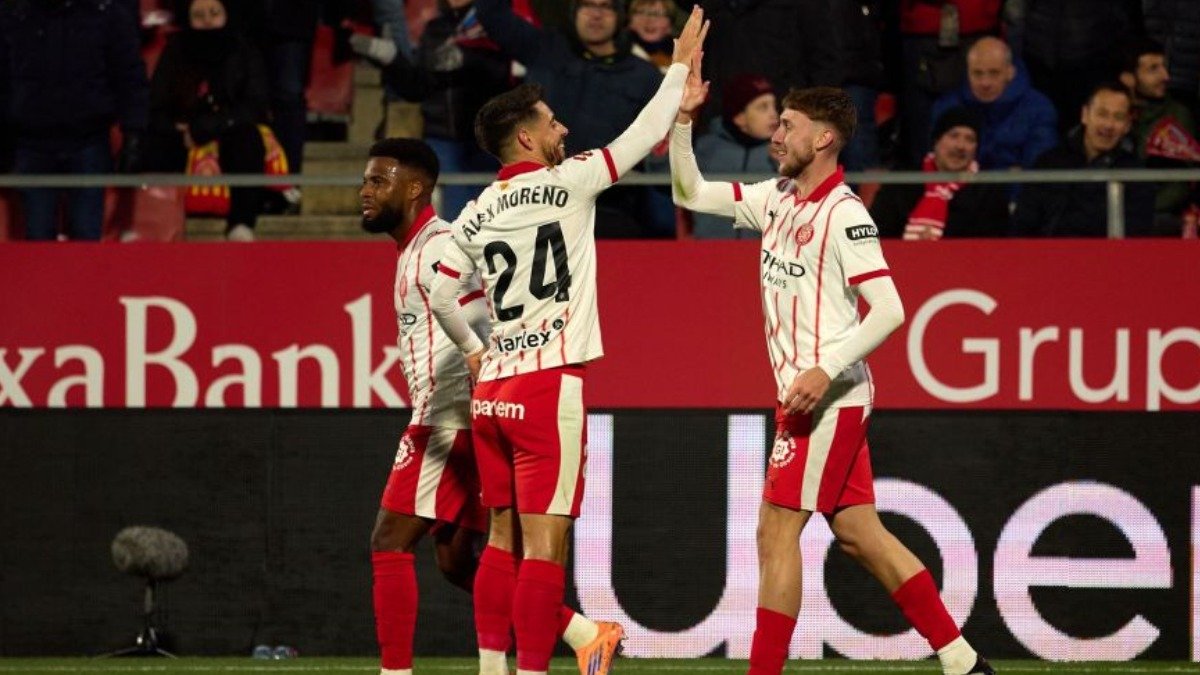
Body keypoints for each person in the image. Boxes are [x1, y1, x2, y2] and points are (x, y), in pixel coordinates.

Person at [669, 70, 994, 674]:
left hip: (826, 400)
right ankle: (962, 660)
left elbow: (890, 309)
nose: (776, 133)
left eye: (788, 125)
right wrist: (684, 119)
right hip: (810, 396)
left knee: (775, 530)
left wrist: (824, 369)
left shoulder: (845, 215)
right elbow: (689, 192)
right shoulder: (776, 197)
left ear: (822, 139)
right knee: (860, 535)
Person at [427, 8, 708, 674]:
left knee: (500, 541)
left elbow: (439, 293)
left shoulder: (473, 212)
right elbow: (642, 134)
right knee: (544, 551)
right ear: (526, 136)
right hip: (549, 385)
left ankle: (492, 669)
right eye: (553, 122)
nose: (565, 129)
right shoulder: (570, 182)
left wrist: (474, 350)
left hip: (493, 393)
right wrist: (675, 74)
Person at [360, 137, 623, 675]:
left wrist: (479, 362)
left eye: (378, 181)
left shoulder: (438, 245)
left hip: (451, 415)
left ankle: (397, 673)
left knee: (389, 540)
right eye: (366, 180)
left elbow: (483, 312)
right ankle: (583, 633)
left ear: (415, 189)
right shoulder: (414, 248)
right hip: (461, 412)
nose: (366, 191)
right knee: (458, 561)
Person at [473, 0, 666, 237]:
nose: (596, 14)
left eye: (605, 7)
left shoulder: (645, 76)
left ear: (620, 15)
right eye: (588, 5)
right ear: (574, 11)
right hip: (533, 202)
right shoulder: (543, 47)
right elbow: (491, 13)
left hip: (610, 208)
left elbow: (657, 143)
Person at [0, 0, 148, 241]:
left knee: (86, 239)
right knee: (37, 241)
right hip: (32, 141)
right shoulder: (14, 14)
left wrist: (134, 134)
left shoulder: (106, 13)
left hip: (88, 139)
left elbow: (129, 75)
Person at [145, 0, 269, 241]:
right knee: (156, 143)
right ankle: (159, 222)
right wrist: (176, 126)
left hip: (229, 125)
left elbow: (255, 103)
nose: (208, 21)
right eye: (199, 15)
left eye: (214, 13)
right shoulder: (176, 49)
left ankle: (241, 224)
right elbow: (156, 103)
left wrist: (208, 127)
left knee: (248, 141)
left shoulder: (242, 48)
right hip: (182, 128)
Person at [1013, 82, 1155, 238]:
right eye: (1102, 114)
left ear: (1127, 126)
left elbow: (1137, 235)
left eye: (1118, 117)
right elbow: (1023, 225)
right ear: (1085, 115)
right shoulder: (1049, 163)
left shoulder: (1136, 176)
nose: (1109, 125)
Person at [870, 107, 1009, 239]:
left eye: (970, 139)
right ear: (936, 142)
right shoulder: (904, 181)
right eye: (954, 136)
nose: (961, 146)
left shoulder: (988, 191)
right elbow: (874, 234)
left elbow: (992, 243)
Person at [931, 36, 1057, 170]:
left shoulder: (1038, 109)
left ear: (1010, 72)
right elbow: (935, 162)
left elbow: (1041, 166)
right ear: (967, 72)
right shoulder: (946, 107)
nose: (985, 83)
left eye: (994, 73)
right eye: (977, 73)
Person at [1118, 36, 1200, 235]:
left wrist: (1141, 210)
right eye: (1153, 69)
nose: (1166, 76)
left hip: (1158, 219)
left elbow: (1181, 184)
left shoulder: (1177, 115)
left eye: (1164, 67)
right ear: (1128, 78)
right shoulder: (1112, 112)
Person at [691, 73, 778, 239]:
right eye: (763, 107)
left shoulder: (784, 151)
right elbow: (666, 179)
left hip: (764, 251)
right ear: (740, 118)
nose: (773, 114)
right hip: (712, 249)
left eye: (774, 106)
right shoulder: (707, 148)